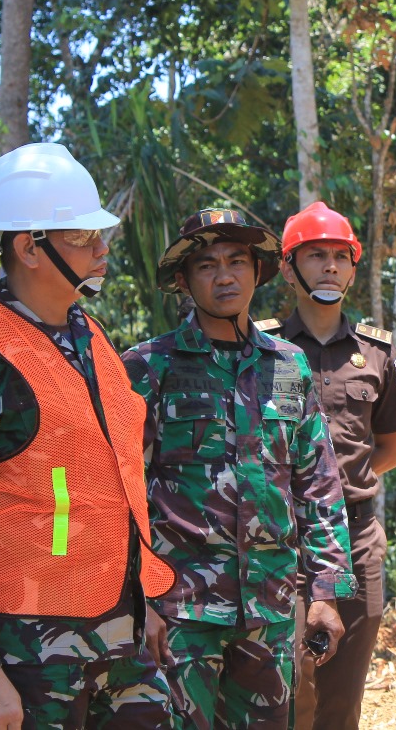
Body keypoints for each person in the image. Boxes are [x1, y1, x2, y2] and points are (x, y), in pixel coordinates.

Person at [0, 143, 174, 729]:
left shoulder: (94, 339)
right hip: (24, 648)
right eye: (82, 238)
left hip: (120, 633)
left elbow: (119, 483)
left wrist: (144, 603)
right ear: (29, 247)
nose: (101, 249)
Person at [121, 208, 356, 730]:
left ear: (258, 271)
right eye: (206, 265)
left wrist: (324, 593)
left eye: (235, 261)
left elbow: (316, 483)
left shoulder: (288, 365)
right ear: (184, 281)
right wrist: (141, 601)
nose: (224, 275)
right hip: (181, 612)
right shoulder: (148, 366)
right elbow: (119, 491)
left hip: (270, 610)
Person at [255, 201, 396, 730]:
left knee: (343, 701)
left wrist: (344, 493)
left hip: (358, 541)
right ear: (287, 266)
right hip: (282, 543)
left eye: (340, 256)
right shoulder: (262, 349)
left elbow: (389, 448)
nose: (329, 267)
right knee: (292, 694)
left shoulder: (377, 353)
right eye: (315, 255)